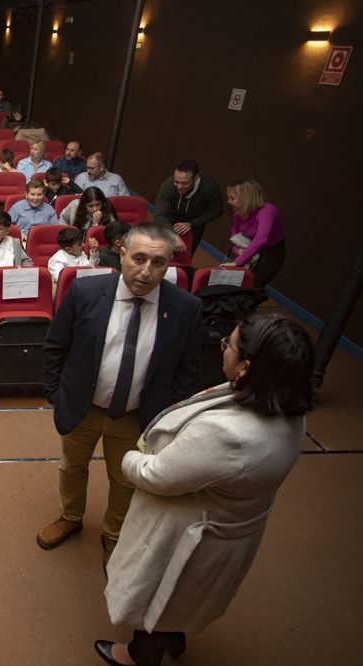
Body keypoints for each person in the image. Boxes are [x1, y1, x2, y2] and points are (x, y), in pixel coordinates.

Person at [98, 313, 315, 666]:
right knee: (187, 597)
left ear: (246, 367)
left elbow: (159, 475)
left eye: (228, 345)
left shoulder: (230, 435)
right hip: (230, 529)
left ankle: (139, 655)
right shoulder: (288, 409)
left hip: (190, 536)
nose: (223, 350)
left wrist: (130, 460)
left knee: (163, 595)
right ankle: (174, 636)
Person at [38, 222, 203, 570]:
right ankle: (71, 516)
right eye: (139, 258)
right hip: (83, 407)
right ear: (121, 253)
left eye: (158, 263)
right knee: (72, 467)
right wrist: (56, 394)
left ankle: (114, 533)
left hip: (136, 416)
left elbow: (187, 370)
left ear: (170, 263)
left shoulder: (186, 307)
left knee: (125, 479)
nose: (146, 271)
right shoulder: (85, 292)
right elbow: (55, 346)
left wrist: (167, 416)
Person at [221, 177, 285, 288]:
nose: (229, 202)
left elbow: (261, 239)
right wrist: (237, 250)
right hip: (251, 247)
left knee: (252, 285)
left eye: (232, 198)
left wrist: (238, 262)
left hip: (271, 253)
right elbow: (235, 233)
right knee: (234, 283)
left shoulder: (267, 211)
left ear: (246, 198)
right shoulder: (239, 210)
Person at [153, 159, 224, 252]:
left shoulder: (209, 187)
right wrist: (172, 235)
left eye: (184, 183)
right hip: (171, 213)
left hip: (195, 220)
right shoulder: (168, 185)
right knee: (161, 247)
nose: (179, 186)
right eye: (176, 181)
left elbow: (217, 210)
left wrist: (193, 223)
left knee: (186, 252)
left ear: (196, 178)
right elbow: (159, 214)